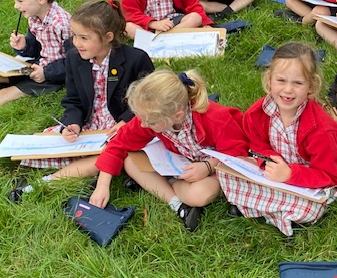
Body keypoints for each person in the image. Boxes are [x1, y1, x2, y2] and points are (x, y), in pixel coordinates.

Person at [8, 0, 155, 202]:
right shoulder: (74, 58)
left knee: (114, 150)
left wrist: (125, 121)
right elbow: (73, 99)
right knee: (44, 145)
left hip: (121, 126)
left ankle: (47, 181)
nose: (77, 43)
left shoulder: (136, 59)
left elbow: (150, 98)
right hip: (90, 125)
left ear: (108, 37)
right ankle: (97, 168)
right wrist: (73, 123)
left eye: (84, 38)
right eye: (75, 35)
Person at [217, 42, 337, 236]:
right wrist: (269, 162)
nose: (288, 90)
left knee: (311, 210)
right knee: (225, 174)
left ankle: (258, 210)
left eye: (298, 83)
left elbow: (329, 176)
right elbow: (257, 145)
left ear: (311, 86)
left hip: (310, 178)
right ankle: (277, 213)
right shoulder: (257, 113)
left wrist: (289, 175)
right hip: (276, 173)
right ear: (269, 80)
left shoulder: (321, 129)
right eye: (281, 80)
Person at [89, 68, 247, 232]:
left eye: (150, 122)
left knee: (200, 195)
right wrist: (102, 185)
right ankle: (177, 204)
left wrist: (208, 167)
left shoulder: (215, 118)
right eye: (141, 119)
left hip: (214, 166)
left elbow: (237, 153)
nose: (143, 124)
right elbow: (119, 142)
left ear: (178, 116)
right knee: (130, 162)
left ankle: (165, 184)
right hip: (181, 162)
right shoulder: (152, 116)